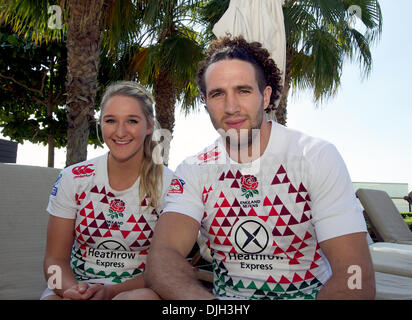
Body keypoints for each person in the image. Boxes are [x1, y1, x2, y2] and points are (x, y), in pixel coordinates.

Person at [145, 36, 375, 300]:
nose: (231, 107)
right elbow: (163, 256)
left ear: (265, 96)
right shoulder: (194, 169)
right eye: (218, 94)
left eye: (243, 91)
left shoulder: (315, 156)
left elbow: (356, 273)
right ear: (205, 102)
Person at [41, 81, 173, 300]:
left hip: (135, 290)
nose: (120, 132)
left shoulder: (169, 185)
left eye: (132, 120)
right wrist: (71, 291)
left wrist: (109, 292)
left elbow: (164, 269)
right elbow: (54, 260)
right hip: (74, 287)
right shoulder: (73, 177)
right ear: (100, 124)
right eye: (110, 120)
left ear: (149, 126)